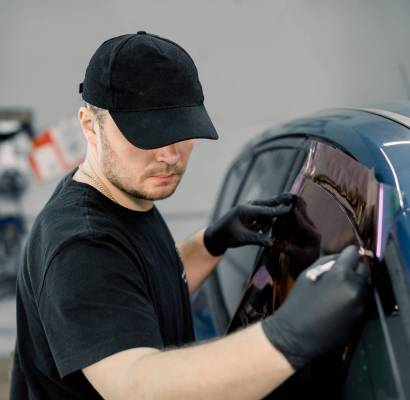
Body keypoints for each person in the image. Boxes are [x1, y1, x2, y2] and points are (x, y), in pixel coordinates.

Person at [10, 32, 369, 399]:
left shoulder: (122, 196)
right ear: (89, 125)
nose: (170, 154)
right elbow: (135, 385)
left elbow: (133, 289)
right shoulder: (81, 244)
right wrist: (290, 335)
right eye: (147, 134)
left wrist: (212, 243)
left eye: (181, 131)